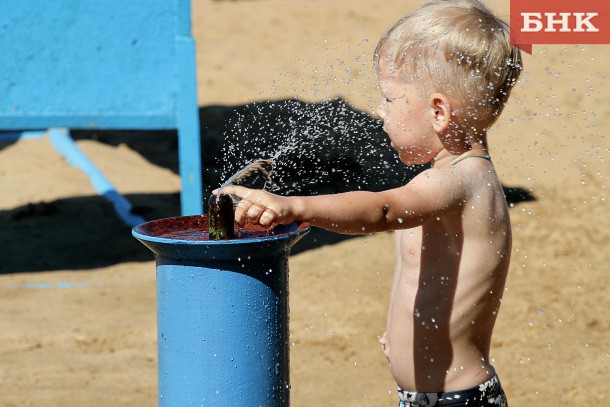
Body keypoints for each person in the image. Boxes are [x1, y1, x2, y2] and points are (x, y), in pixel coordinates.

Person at [217, 1, 522, 405]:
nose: (379, 112)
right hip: (433, 395)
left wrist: (295, 206)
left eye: (391, 99)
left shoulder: (457, 182)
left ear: (438, 111)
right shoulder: (455, 179)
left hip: (457, 400)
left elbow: (382, 210)